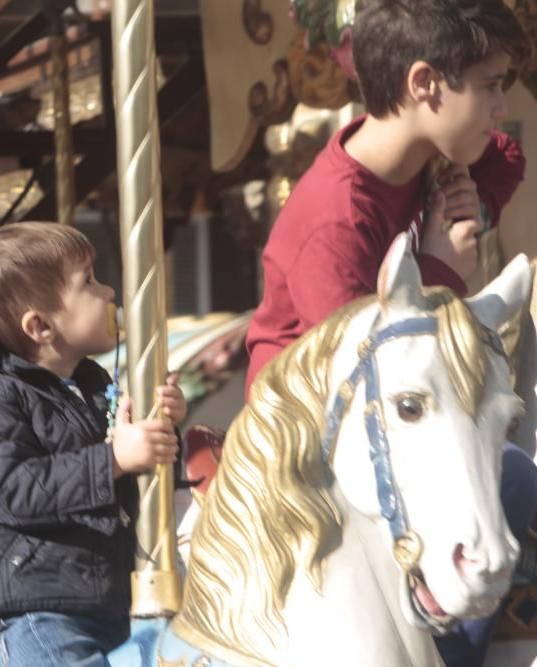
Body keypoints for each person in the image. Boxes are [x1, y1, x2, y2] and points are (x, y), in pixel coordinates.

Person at [243, 2, 536, 665]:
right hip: (309, 441)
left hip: (389, 414)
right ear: (427, 85)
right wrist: (439, 265)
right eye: (489, 85)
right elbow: (365, 372)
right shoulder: (335, 223)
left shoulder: (425, 158)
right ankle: (448, 650)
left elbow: (506, 157)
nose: (500, 107)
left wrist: (469, 202)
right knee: (511, 480)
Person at [0, 222, 186, 666]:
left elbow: (115, 491)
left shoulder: (88, 388)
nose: (109, 290)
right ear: (40, 326)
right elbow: (14, 489)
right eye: (89, 282)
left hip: (102, 601)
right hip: (29, 614)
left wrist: (157, 431)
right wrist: (114, 458)